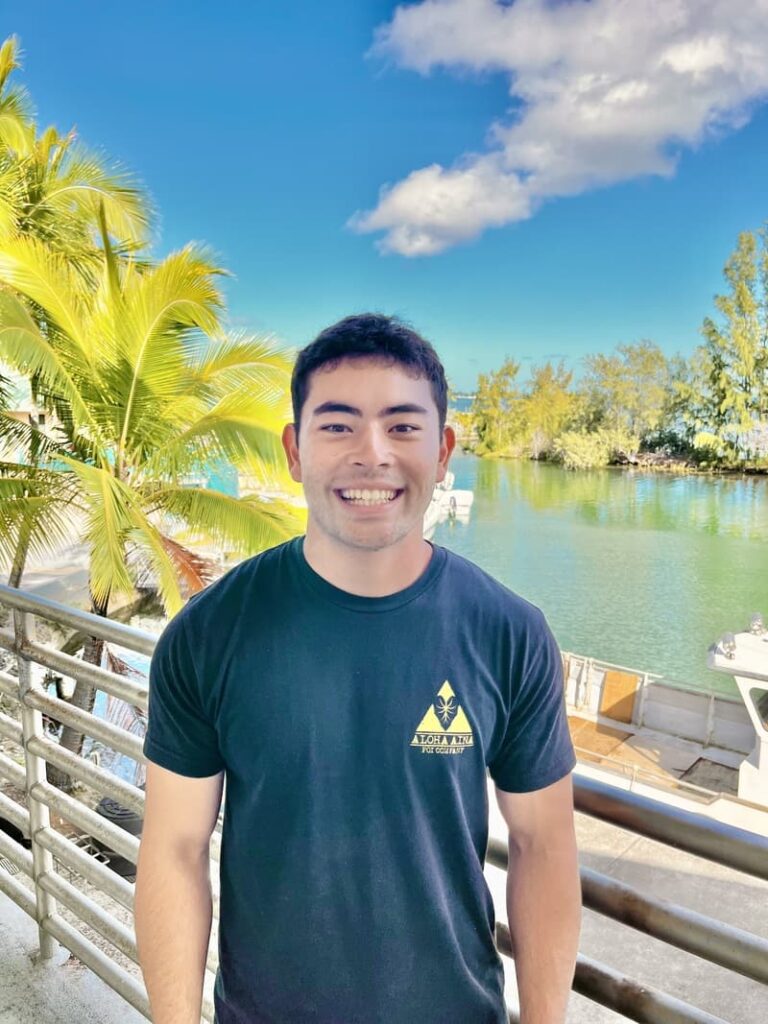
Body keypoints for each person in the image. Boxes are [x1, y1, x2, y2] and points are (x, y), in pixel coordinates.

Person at [134, 313, 581, 1024]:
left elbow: (544, 844)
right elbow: (175, 849)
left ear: (443, 451)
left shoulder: (509, 632)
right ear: (295, 449)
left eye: (403, 427)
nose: (372, 454)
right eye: (338, 425)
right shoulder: (209, 635)